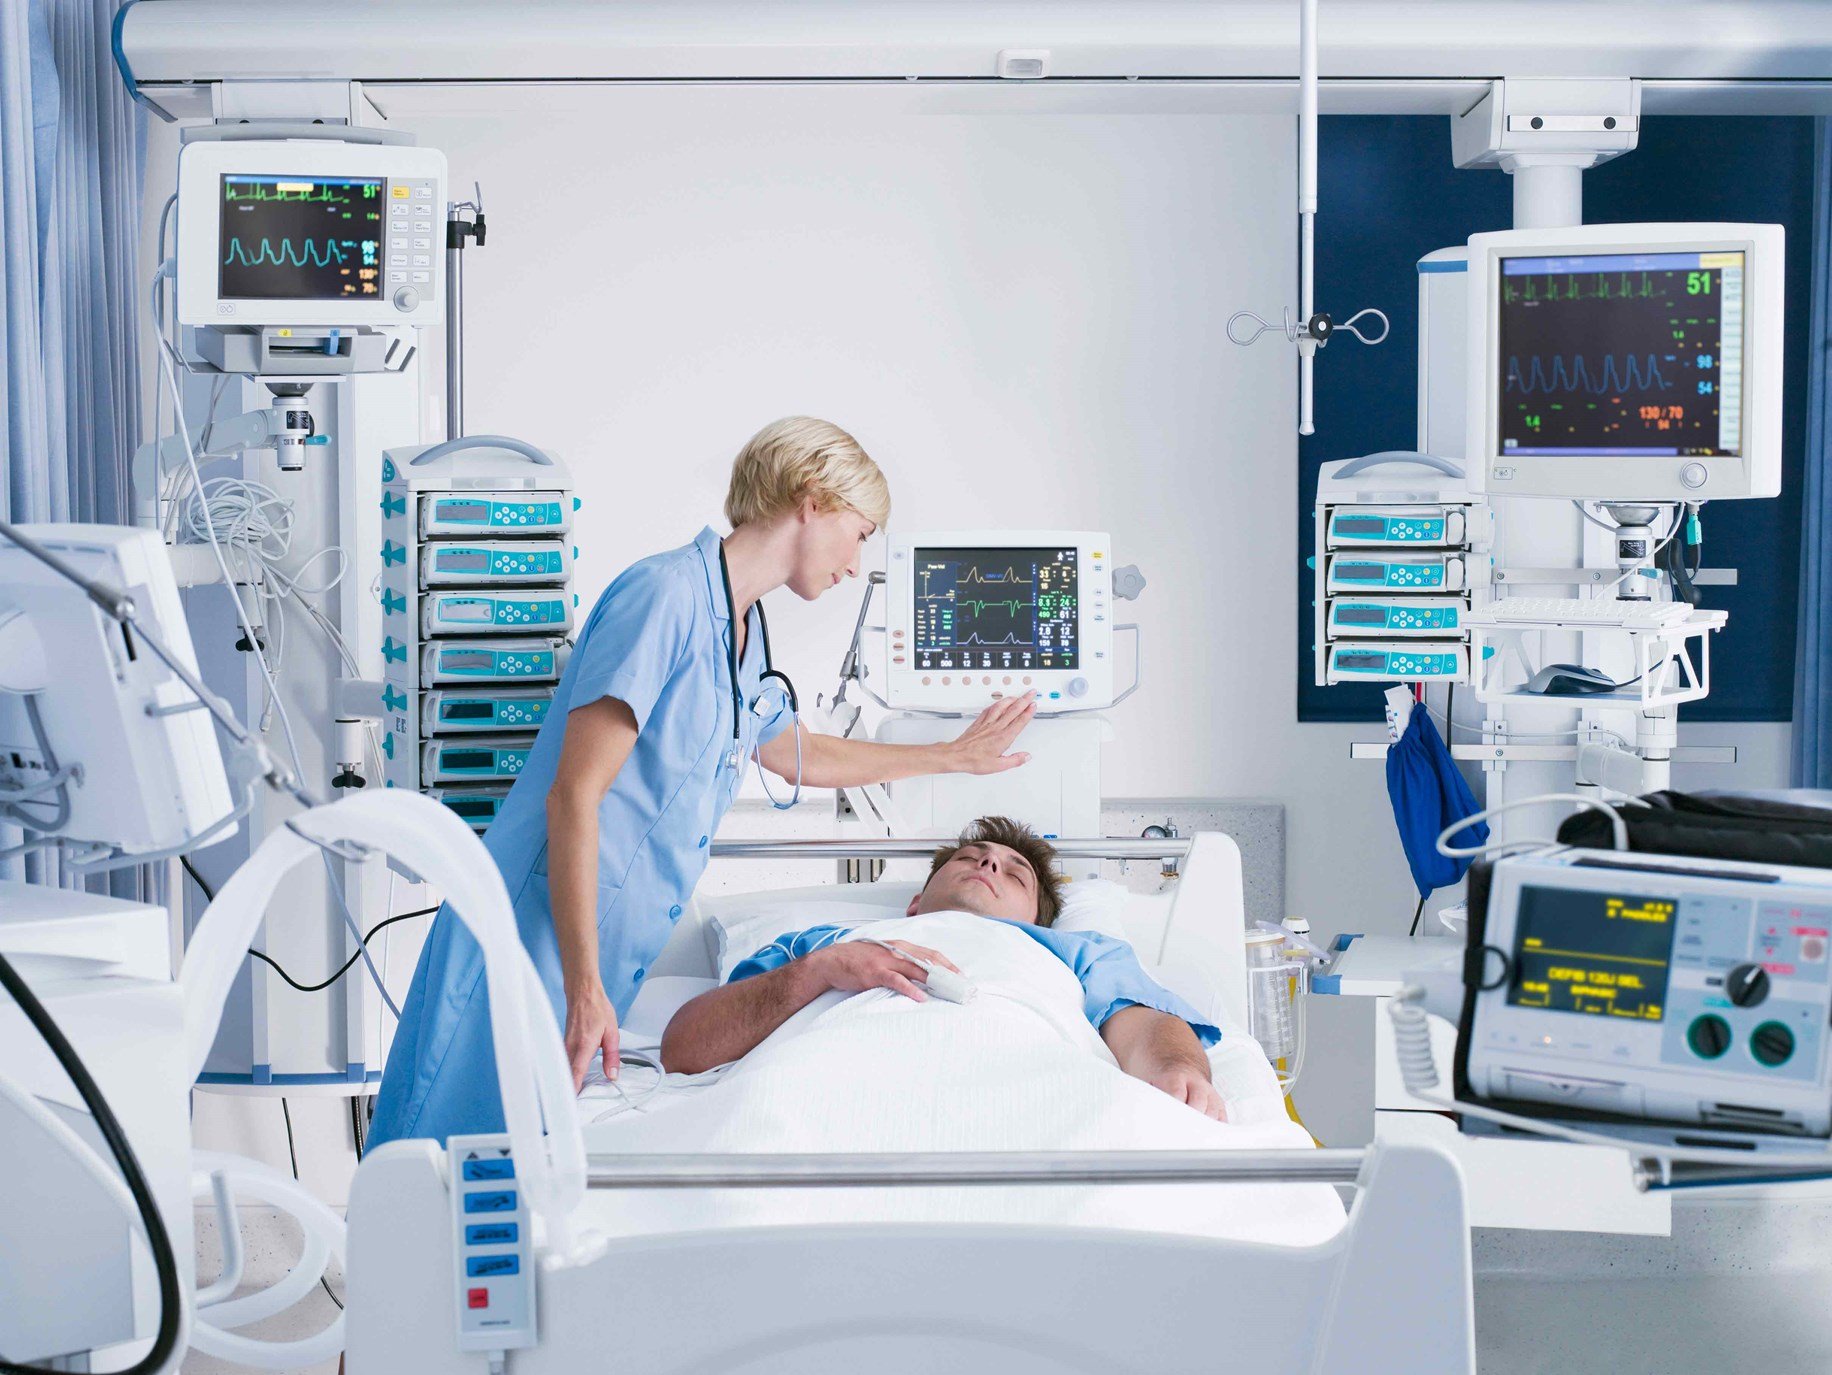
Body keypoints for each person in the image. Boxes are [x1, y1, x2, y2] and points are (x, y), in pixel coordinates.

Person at [368, 419, 1037, 1147]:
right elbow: (574, 795)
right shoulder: (665, 597)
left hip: (591, 951)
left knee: (512, 1179)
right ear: (811, 501)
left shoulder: (742, 634)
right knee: (437, 1156)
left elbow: (792, 751)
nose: (858, 559)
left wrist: (951, 755)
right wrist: (586, 985)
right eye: (862, 529)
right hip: (529, 936)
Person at [660, 816, 1227, 1119]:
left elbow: (1143, 1024)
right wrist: (820, 970)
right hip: (814, 1094)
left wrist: (1178, 1073)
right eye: (970, 858)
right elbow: (684, 1049)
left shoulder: (1073, 953)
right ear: (914, 902)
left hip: (1030, 1091)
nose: (988, 862)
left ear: (1036, 918)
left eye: (1015, 873)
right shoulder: (823, 943)